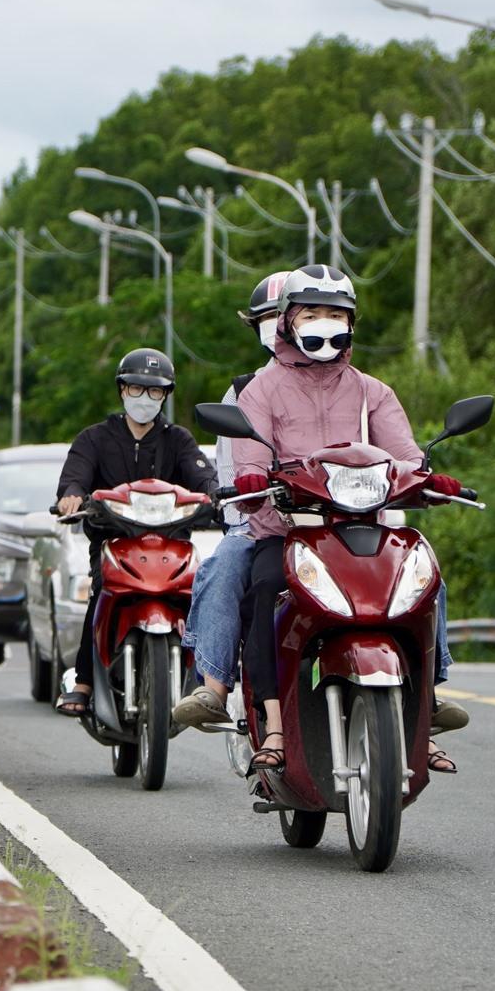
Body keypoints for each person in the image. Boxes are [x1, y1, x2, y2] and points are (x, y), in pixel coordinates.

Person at [214, 265, 466, 774]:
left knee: (422, 576)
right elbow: (248, 458)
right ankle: (276, 725)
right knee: (263, 590)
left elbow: (406, 456)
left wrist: (429, 479)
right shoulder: (259, 391)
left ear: (352, 324)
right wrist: (250, 480)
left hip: (366, 528)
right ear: (287, 321)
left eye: (336, 315)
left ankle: (426, 711)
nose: (324, 324)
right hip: (288, 529)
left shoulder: (373, 391)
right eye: (312, 314)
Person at [52, 346, 218, 717]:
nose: (145, 398)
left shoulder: (179, 440)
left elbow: (203, 476)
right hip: (115, 546)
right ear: (122, 390)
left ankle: (208, 679)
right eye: (136, 389)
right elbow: (75, 478)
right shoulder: (94, 438)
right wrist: (72, 496)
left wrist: (215, 496)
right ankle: (83, 680)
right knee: (100, 594)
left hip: (171, 547)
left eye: (155, 391)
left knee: (201, 594)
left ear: (166, 395)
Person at [172, 272, 289, 733]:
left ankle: (427, 690)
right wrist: (248, 500)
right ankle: (214, 686)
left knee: (412, 557)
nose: (277, 327)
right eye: (267, 319)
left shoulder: (352, 386)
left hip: (333, 524)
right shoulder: (241, 394)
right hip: (261, 525)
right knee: (225, 561)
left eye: (285, 317)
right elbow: (231, 486)